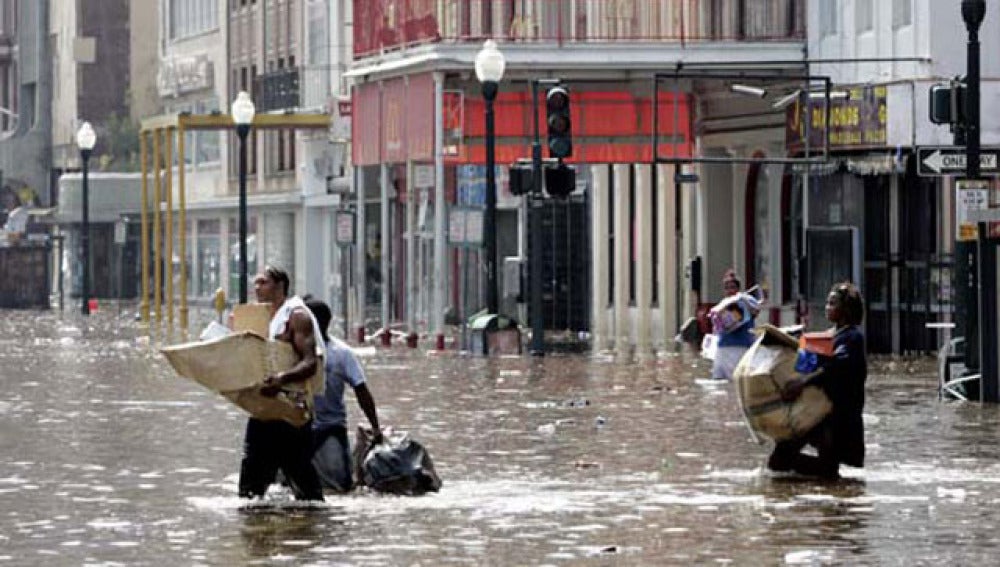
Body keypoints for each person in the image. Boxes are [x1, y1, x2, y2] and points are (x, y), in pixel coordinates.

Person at [238, 265, 326, 501]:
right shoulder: (266, 317)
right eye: (255, 283)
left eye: (263, 283)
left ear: (280, 286)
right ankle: (256, 531)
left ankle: (313, 528)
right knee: (250, 483)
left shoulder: (296, 316)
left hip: (290, 410)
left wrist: (281, 379)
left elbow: (310, 363)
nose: (257, 288)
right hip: (265, 408)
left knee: (302, 480)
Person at [767, 281, 867, 479]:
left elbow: (837, 366)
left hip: (836, 416)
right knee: (780, 460)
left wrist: (803, 383)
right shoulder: (831, 335)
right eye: (827, 303)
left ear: (845, 309)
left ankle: (828, 493)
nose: (827, 308)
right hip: (815, 411)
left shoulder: (852, 337)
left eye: (833, 304)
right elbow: (808, 361)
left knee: (825, 468)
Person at [302, 297, 384, 492]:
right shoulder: (290, 350)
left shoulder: (342, 353)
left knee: (340, 487)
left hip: (330, 429)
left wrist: (375, 427)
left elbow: (361, 391)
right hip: (297, 429)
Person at [707, 270, 758, 380]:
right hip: (722, 348)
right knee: (718, 380)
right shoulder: (722, 305)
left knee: (736, 380)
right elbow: (717, 326)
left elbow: (755, 311)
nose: (730, 291)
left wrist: (744, 302)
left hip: (740, 347)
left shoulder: (746, 300)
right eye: (727, 288)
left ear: (738, 288)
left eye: (732, 287)